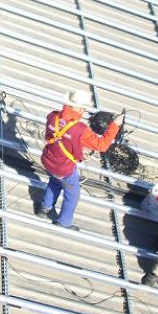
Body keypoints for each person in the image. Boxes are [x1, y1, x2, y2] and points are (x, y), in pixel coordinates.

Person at [36, 89, 123, 230]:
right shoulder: (81, 129)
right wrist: (115, 125)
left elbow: (51, 137)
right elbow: (102, 145)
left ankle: (44, 207)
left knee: (55, 181)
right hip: (64, 167)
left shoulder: (53, 116)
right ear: (81, 108)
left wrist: (77, 148)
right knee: (72, 194)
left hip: (48, 159)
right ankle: (64, 222)